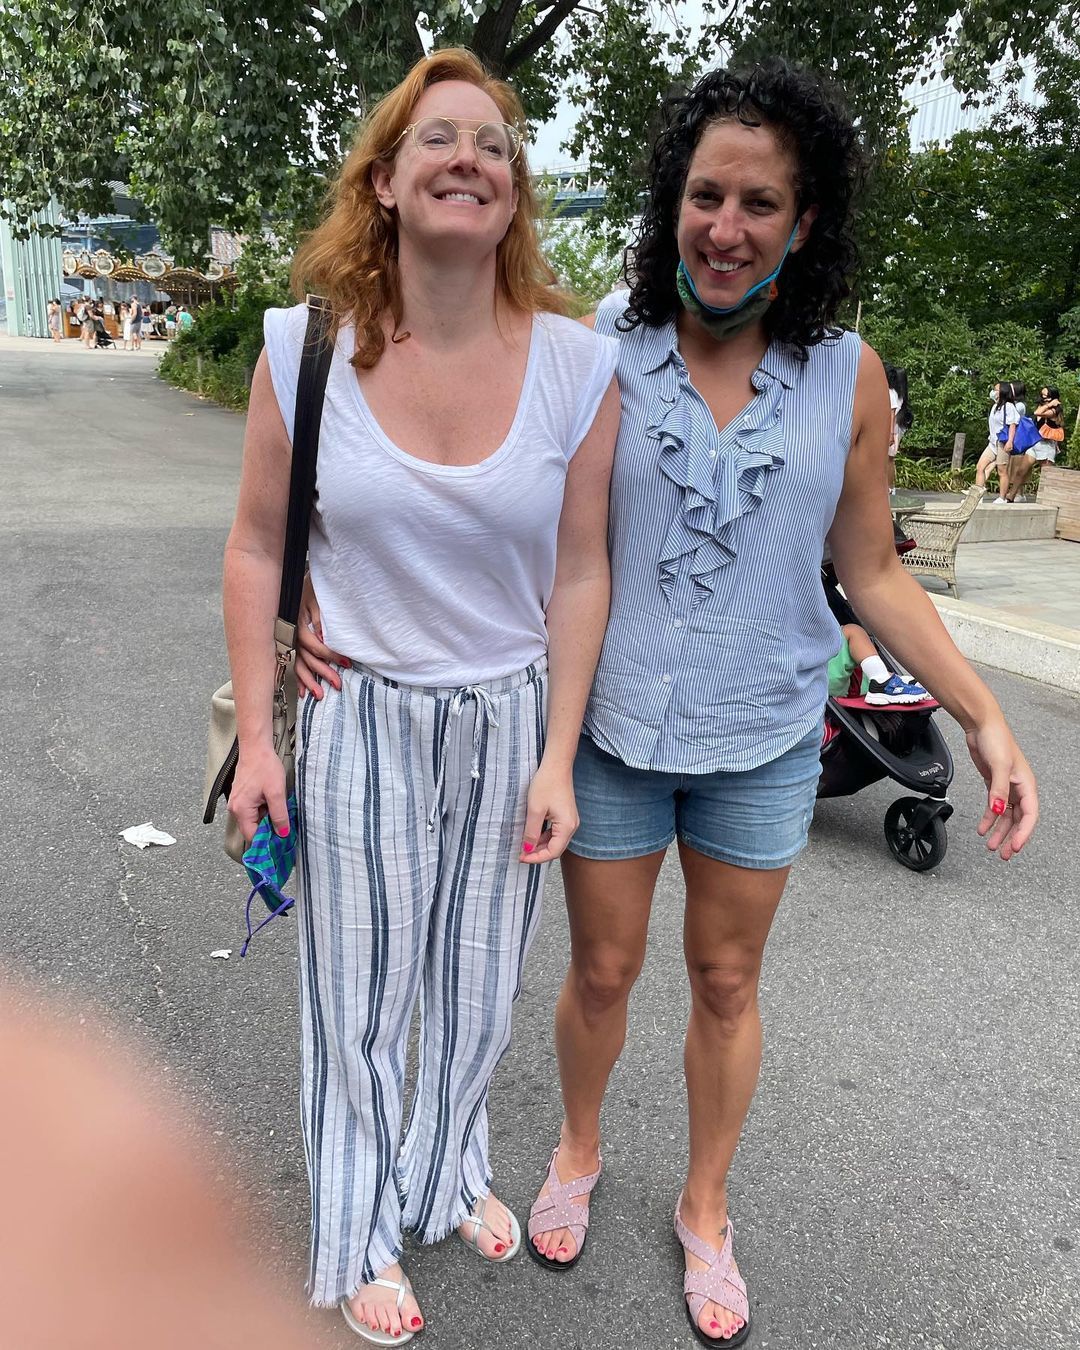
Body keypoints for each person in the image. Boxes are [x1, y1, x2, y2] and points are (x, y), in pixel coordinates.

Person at [299, 56, 1038, 1348]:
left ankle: (705, 1203)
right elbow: (492, 505)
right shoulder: (597, 353)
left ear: (803, 222)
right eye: (706, 195)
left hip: (764, 739)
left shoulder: (849, 378)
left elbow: (872, 569)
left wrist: (982, 714)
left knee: (726, 978)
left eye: (760, 202)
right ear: (672, 204)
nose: (727, 227)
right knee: (599, 969)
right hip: (610, 733)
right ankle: (575, 1150)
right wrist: (316, 597)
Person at [223, 46, 619, 1346]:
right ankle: (354, 1232)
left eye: (495, 144)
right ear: (385, 182)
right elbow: (255, 543)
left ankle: (445, 1174)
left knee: (478, 989)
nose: (471, 158)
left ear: (514, 192)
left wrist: (559, 753)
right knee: (358, 1000)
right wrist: (262, 730)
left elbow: (581, 568)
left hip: (509, 718)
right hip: (362, 713)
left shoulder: (575, 365)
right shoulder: (306, 348)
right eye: (440, 138)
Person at [828, 622, 929, 705]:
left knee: (860, 663)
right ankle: (881, 682)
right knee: (853, 631)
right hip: (825, 678)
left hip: (827, 684)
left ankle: (888, 679)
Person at [1007, 384, 1064, 501]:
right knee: (1021, 471)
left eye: (1046, 396)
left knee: (1046, 475)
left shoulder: (1054, 410)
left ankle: (1048, 498)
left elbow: (1038, 412)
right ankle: (1011, 496)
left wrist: (1049, 405)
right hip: (1035, 443)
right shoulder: (1043, 406)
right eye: (1042, 395)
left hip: (1046, 446)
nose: (1043, 398)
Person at [975, 380, 1022, 501]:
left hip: (1003, 442)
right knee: (980, 467)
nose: (993, 392)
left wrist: (1010, 441)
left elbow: (1012, 425)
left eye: (995, 390)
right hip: (992, 442)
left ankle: (1002, 498)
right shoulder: (995, 406)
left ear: (1002, 392)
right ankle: (976, 497)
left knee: (1002, 471)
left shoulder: (1009, 407)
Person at [883, 363, 912, 493]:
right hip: (895, 428)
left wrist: (890, 434)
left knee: (889, 459)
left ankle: (890, 488)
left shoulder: (891, 393)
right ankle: (890, 487)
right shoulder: (900, 395)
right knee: (889, 459)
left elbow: (892, 414)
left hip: (893, 429)